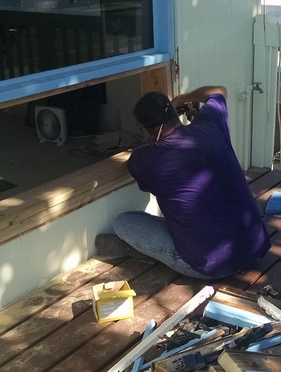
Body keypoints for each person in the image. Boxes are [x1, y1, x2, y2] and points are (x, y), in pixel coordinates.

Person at [96, 85, 271, 279]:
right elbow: (219, 91)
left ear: (149, 130)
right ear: (173, 113)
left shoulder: (143, 160)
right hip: (254, 246)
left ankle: (145, 254)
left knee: (124, 222)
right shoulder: (211, 124)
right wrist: (181, 98)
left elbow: (151, 165)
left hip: (212, 266)